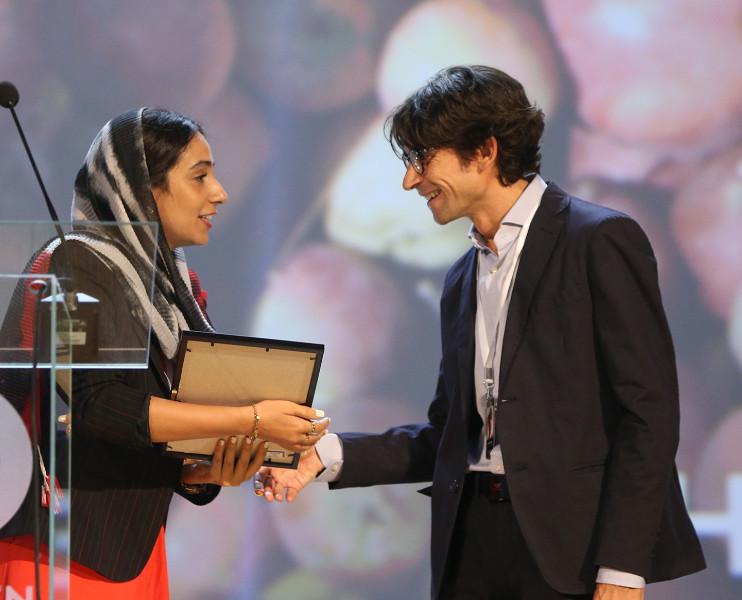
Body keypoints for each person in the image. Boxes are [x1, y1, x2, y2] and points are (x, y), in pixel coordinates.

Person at [258, 65, 704, 599]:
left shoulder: (598, 240)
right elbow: (448, 437)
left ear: (484, 151)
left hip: (571, 555)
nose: (410, 181)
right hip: (470, 545)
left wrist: (623, 569)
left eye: (423, 159)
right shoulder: (461, 278)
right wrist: (326, 454)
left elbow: (648, 414)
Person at [0, 108, 329, 599]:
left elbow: (144, 440)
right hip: (57, 545)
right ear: (142, 189)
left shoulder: (174, 292)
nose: (219, 193)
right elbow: (99, 406)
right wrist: (251, 419)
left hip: (127, 551)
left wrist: (207, 469)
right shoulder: (78, 261)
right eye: (199, 177)